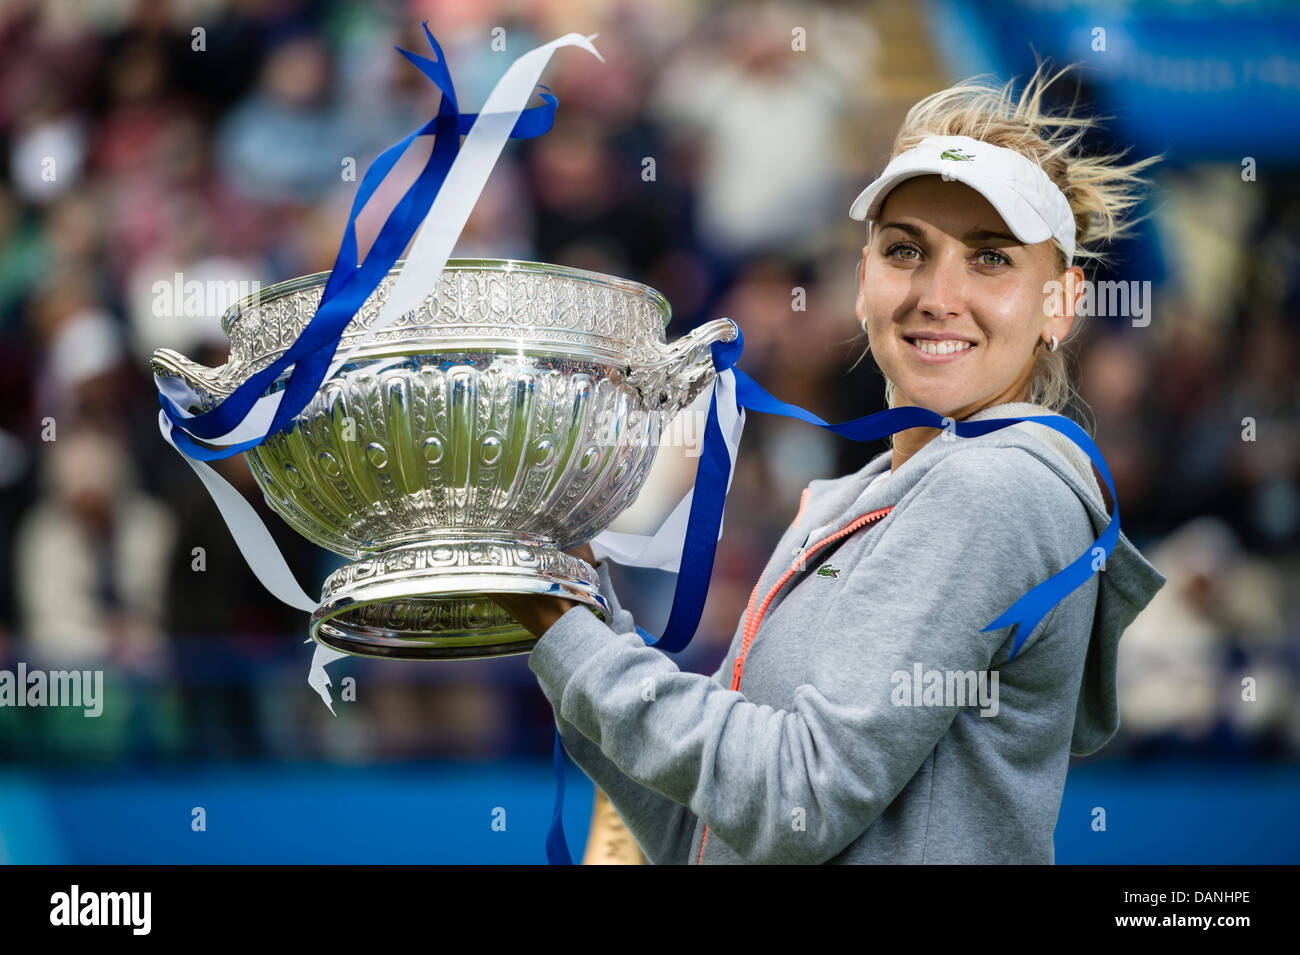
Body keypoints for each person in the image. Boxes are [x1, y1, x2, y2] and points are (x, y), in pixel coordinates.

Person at [490, 62, 1168, 864]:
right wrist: (567, 605)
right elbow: (705, 831)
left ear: (1061, 303)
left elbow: (797, 800)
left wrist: (571, 637)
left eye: (990, 259)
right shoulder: (848, 499)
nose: (936, 294)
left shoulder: (996, 486)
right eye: (905, 250)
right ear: (861, 283)